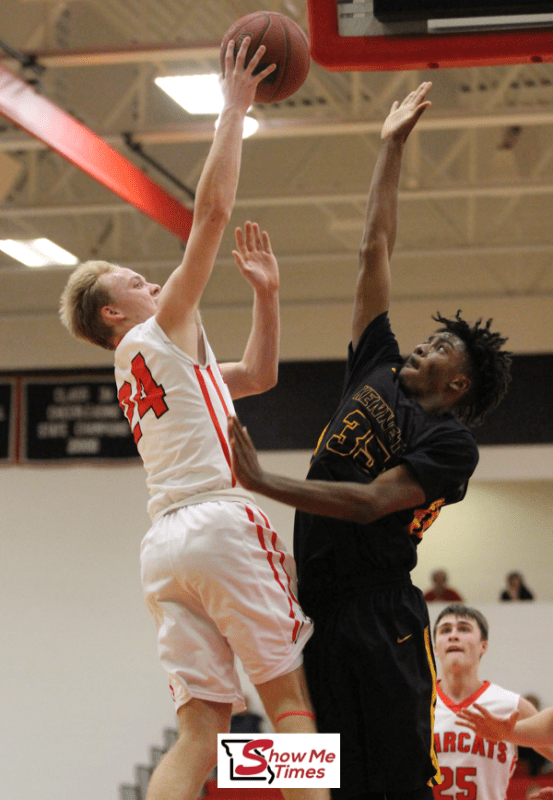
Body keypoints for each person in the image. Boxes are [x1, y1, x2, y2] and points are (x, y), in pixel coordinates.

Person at [59, 38, 328, 800]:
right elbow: (210, 214)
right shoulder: (153, 329)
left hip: (164, 550)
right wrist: (233, 108)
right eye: (137, 280)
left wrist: (267, 298)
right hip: (217, 523)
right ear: (115, 311)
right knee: (289, 704)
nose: (156, 282)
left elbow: (257, 377)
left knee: (202, 731)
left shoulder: (142, 366)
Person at [228, 81, 512, 800]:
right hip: (313, 607)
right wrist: (388, 149)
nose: (426, 341)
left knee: (391, 783)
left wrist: (261, 480)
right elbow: (371, 249)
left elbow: (366, 503)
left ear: (457, 385)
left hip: (379, 613)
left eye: (443, 346)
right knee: (312, 776)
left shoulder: (449, 444)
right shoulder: (375, 364)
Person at [432, 603, 553, 800]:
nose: (453, 635)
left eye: (463, 628)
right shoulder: (415, 705)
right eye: (445, 630)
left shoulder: (513, 706)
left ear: (484, 645)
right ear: (436, 648)